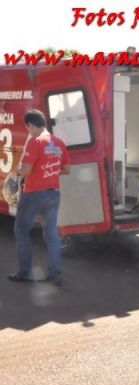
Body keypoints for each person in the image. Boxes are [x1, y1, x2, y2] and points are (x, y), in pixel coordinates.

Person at [9, 109, 71, 284]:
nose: (28, 130)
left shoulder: (35, 142)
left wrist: (17, 170)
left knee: (21, 231)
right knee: (51, 233)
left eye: (27, 127)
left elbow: (27, 170)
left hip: (34, 194)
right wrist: (50, 172)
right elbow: (67, 169)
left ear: (30, 125)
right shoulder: (58, 142)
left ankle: (24, 272)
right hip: (53, 194)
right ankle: (54, 272)